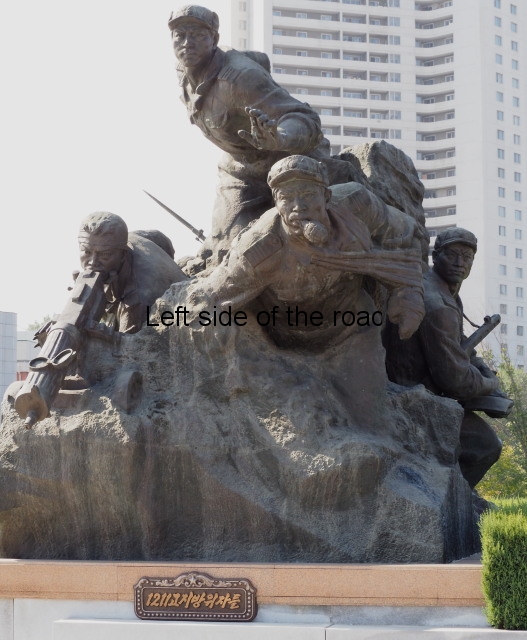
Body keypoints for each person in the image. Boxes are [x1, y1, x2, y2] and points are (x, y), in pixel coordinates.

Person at [174, 155, 425, 350]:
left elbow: (405, 236)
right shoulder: (260, 249)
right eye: (286, 198)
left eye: (308, 194)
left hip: (355, 323)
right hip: (287, 336)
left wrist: (408, 292)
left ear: (326, 196)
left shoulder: (358, 204)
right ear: (276, 203)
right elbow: (209, 298)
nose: (298, 206)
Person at [169, 5, 342, 268]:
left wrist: (280, 138)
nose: (187, 43)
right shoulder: (184, 72)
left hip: (288, 162)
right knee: (227, 251)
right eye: (179, 35)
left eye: (197, 35)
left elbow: (304, 119)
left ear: (214, 39)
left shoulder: (240, 77)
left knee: (304, 247)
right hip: (242, 167)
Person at [384, 228, 505, 489]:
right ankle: (453, 498)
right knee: (485, 445)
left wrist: (483, 369)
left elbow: (460, 343)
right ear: (435, 256)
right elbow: (455, 380)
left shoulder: (443, 290)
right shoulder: (437, 303)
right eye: (452, 255)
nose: (460, 263)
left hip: (420, 391)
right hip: (413, 399)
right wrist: (491, 385)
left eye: (467, 257)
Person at [78, 212, 187, 335]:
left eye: (105, 255)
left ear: (123, 254)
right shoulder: (115, 239)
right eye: (86, 252)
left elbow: (126, 343)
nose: (92, 262)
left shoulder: (139, 296)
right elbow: (159, 237)